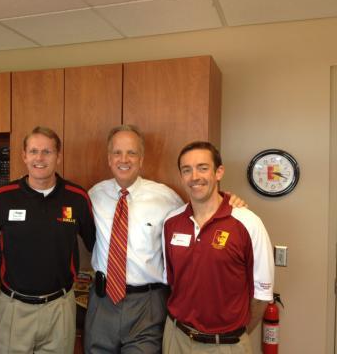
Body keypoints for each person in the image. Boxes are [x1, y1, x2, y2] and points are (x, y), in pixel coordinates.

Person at [84, 125, 245, 353]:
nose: (124, 159)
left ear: (141, 159)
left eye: (131, 153)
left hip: (147, 304)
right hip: (102, 303)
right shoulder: (93, 195)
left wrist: (229, 200)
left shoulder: (166, 198)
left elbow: (201, 211)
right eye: (117, 153)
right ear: (109, 159)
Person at [0, 126, 95, 353]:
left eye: (47, 152)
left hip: (60, 307)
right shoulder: (2, 197)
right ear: (24, 156)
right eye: (34, 151)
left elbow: (94, 244)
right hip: (13, 308)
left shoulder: (77, 198)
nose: (39, 158)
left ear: (58, 157)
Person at [162, 141, 274, 354]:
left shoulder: (248, 223)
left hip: (227, 344)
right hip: (176, 339)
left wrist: (233, 337)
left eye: (203, 168)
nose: (195, 176)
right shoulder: (171, 222)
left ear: (219, 172)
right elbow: (173, 283)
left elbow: (260, 297)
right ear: (181, 176)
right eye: (187, 170)